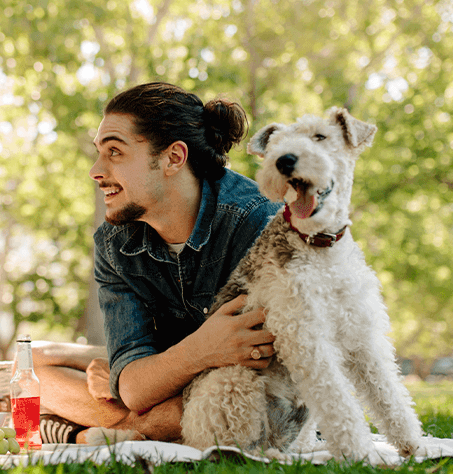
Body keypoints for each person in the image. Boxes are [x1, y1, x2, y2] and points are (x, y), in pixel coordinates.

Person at [35, 82, 280, 443]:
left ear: (173, 158)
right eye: (99, 153)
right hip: (179, 368)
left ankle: (97, 432)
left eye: (115, 152)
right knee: (33, 364)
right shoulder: (115, 242)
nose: (95, 170)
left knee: (214, 402)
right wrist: (141, 372)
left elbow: (258, 363)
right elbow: (135, 392)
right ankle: (131, 432)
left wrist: (142, 378)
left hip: (238, 389)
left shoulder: (256, 223)